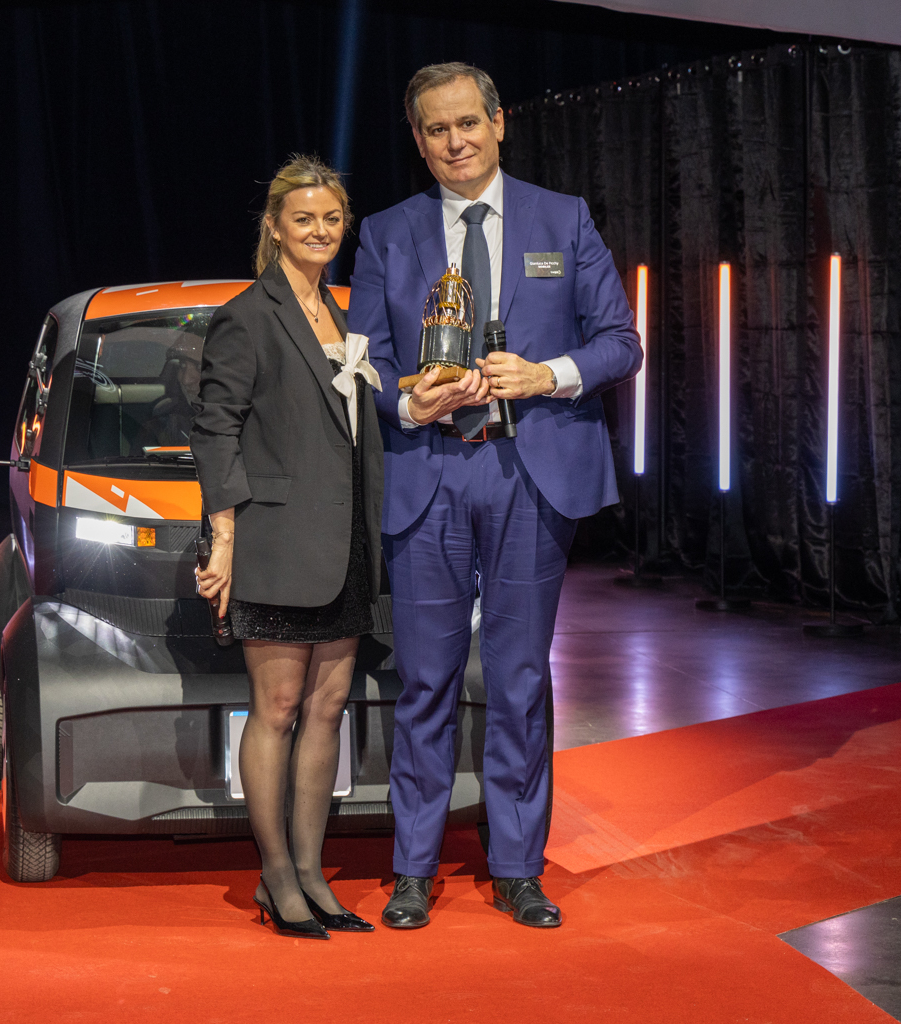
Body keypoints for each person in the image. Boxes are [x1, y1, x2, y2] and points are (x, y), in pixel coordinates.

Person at [348, 63, 642, 929]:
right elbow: (364, 363)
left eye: (469, 123)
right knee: (425, 682)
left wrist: (546, 374)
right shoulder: (387, 233)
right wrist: (408, 403)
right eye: (437, 130)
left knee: (518, 680)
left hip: (529, 472)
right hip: (429, 473)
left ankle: (517, 867)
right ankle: (412, 869)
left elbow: (621, 342)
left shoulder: (564, 218)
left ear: (499, 122)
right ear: (418, 140)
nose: (456, 143)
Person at [191, 155, 383, 940]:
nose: (320, 231)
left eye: (332, 219)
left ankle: (312, 872)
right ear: (275, 227)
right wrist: (224, 535)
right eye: (304, 219)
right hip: (274, 539)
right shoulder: (250, 313)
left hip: (346, 540)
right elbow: (215, 428)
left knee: (327, 708)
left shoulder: (340, 310)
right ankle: (275, 876)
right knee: (274, 709)